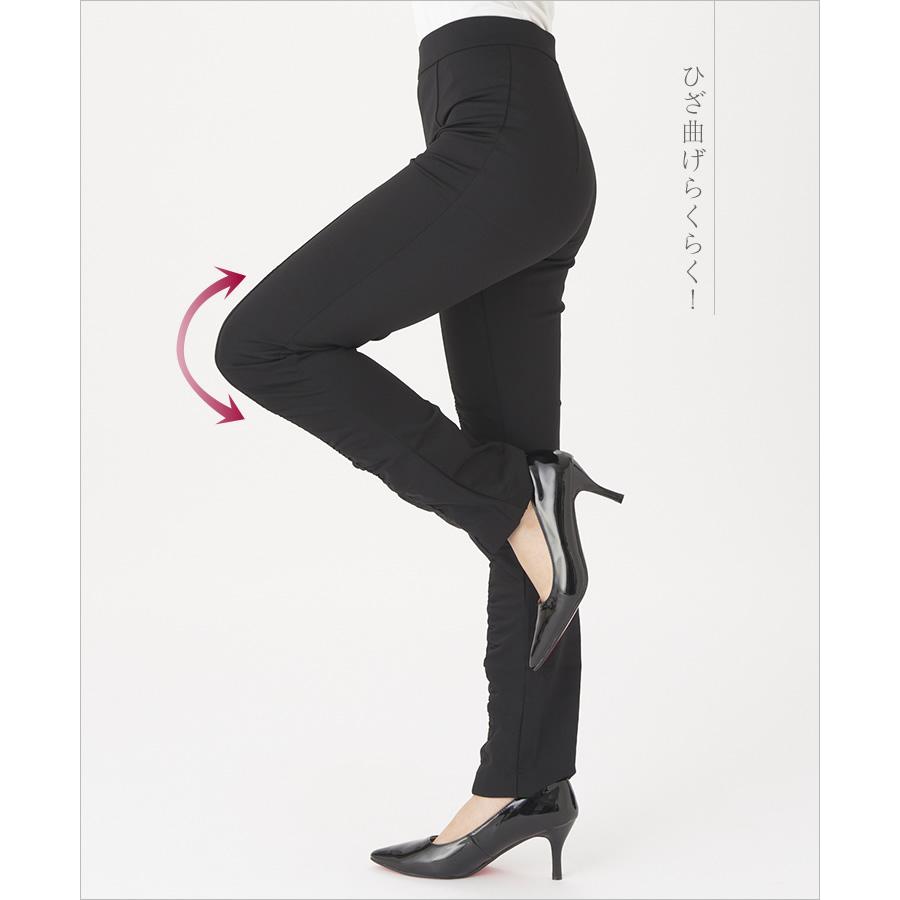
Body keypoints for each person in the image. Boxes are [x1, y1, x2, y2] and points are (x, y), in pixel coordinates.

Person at [214, 0, 623, 880]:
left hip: (499, 136)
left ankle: (517, 502)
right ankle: (525, 782)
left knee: (260, 345)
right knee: (524, 507)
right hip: (517, 137)